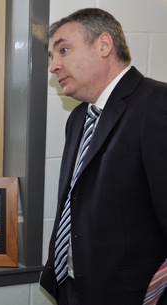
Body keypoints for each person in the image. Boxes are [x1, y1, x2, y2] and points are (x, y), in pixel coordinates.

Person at [41, 8, 167, 305]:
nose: (54, 66)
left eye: (64, 50)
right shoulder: (79, 118)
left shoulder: (157, 106)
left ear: (104, 45)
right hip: (75, 289)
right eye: (52, 56)